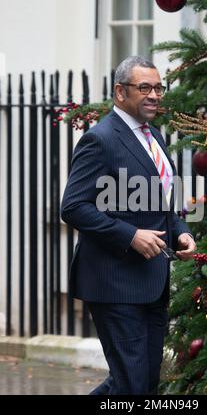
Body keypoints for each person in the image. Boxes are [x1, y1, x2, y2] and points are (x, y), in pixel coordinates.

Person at [61, 56, 196, 395]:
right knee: (134, 385)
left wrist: (181, 231)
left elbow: (165, 203)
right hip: (114, 281)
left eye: (158, 88)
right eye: (145, 88)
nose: (154, 95)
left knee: (139, 383)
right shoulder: (100, 139)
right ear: (120, 92)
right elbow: (74, 206)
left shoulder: (155, 139)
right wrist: (130, 235)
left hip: (153, 281)